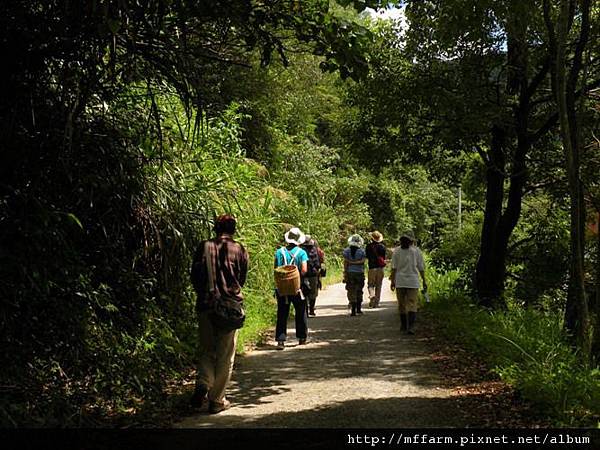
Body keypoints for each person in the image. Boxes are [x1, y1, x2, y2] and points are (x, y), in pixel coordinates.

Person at [189, 214, 248, 413]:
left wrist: (205, 294)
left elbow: (194, 276)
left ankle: (204, 383)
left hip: (206, 305)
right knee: (225, 355)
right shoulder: (239, 249)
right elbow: (242, 277)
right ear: (233, 229)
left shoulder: (204, 246)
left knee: (206, 349)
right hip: (230, 308)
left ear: (215, 228)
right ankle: (217, 400)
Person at [274, 227, 309, 349]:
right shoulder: (302, 253)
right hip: (296, 288)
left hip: (282, 288)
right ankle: (302, 338)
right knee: (300, 311)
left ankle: (280, 340)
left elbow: (276, 269)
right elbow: (304, 270)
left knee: (282, 313)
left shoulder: (279, 252)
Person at [390, 229, 427, 335]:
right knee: (412, 304)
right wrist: (424, 280)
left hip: (400, 281)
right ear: (412, 241)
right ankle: (411, 326)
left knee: (401, 304)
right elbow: (421, 268)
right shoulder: (417, 251)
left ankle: (403, 325)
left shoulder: (397, 251)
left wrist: (392, 281)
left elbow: (394, 268)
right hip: (413, 281)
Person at [343, 234, 366, 316]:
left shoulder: (346, 251)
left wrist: (345, 273)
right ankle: (359, 309)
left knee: (351, 290)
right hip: (359, 273)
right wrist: (356, 263)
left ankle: (353, 309)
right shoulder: (362, 251)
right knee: (359, 290)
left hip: (350, 273)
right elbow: (363, 261)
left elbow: (345, 263)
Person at [365, 230, 386, 308]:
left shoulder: (368, 246)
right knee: (379, 285)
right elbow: (383, 258)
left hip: (372, 268)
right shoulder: (382, 247)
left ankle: (372, 296)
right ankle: (376, 303)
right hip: (380, 268)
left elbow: (367, 256)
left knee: (370, 284)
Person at [301, 235, 321, 316]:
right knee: (313, 293)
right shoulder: (314, 250)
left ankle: (305, 310)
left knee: (304, 292)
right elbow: (317, 263)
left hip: (303, 274)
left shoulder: (301, 251)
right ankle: (311, 310)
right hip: (313, 274)